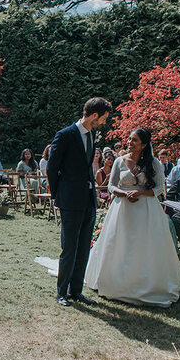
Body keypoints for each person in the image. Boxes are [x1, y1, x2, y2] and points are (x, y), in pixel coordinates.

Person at [84, 128, 180, 307]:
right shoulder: (119, 161)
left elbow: (159, 188)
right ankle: (116, 282)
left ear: (144, 144)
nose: (129, 142)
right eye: (129, 139)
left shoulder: (154, 163)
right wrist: (124, 194)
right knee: (120, 243)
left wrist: (142, 193)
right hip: (122, 208)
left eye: (134, 140)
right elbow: (110, 186)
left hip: (147, 209)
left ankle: (145, 284)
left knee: (145, 245)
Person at [47, 97, 112, 307]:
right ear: (94, 115)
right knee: (69, 248)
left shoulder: (92, 134)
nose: (103, 123)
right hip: (70, 201)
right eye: (103, 118)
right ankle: (62, 292)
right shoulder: (65, 135)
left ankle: (76, 291)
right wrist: (58, 195)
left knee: (84, 248)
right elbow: (51, 168)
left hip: (89, 201)